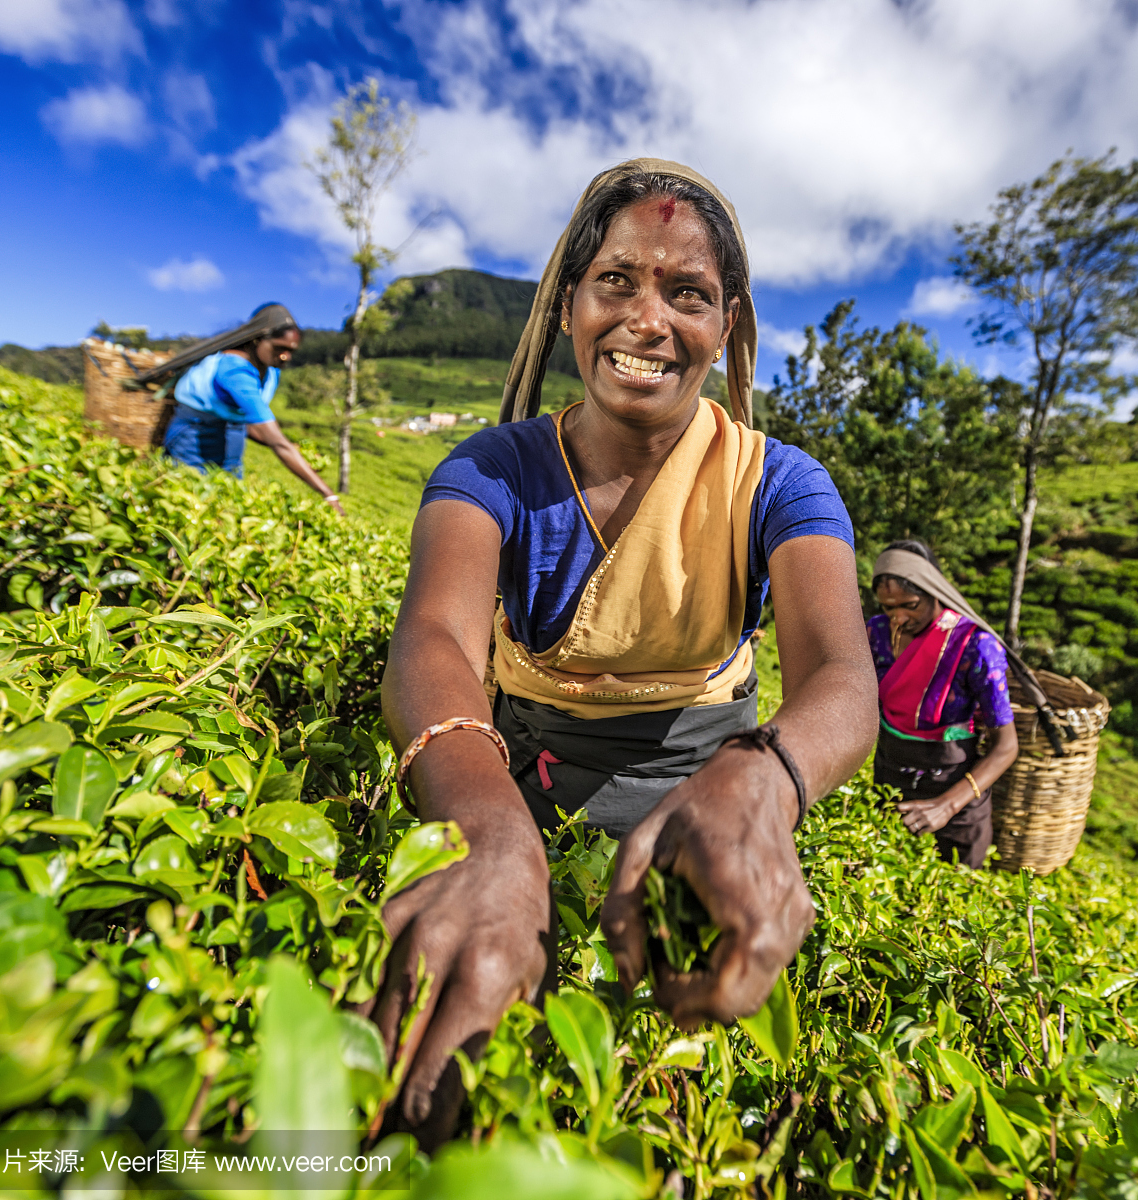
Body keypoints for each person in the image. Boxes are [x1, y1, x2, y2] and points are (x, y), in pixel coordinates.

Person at [373, 159, 878, 1149]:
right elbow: (434, 637)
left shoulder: (779, 482)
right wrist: (490, 829)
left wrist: (762, 784)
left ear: (723, 324)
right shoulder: (492, 469)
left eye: (686, 293)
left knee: (683, 1069)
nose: (647, 322)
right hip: (528, 763)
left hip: (709, 777)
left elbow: (840, 677)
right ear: (570, 306)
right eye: (617, 282)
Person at [868, 540, 1019, 868]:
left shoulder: (975, 646)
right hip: (889, 782)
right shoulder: (876, 633)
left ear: (933, 589)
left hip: (956, 795)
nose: (899, 618)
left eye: (910, 605)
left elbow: (1006, 747)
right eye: (888, 608)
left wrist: (946, 806)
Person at [158, 303, 345, 514]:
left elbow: (252, 426)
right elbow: (276, 441)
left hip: (231, 445)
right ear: (258, 339)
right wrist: (328, 493)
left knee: (226, 509)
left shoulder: (270, 369)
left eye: (291, 351)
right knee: (187, 506)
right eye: (279, 348)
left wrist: (293, 449)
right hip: (193, 440)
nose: (286, 357)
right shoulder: (234, 370)